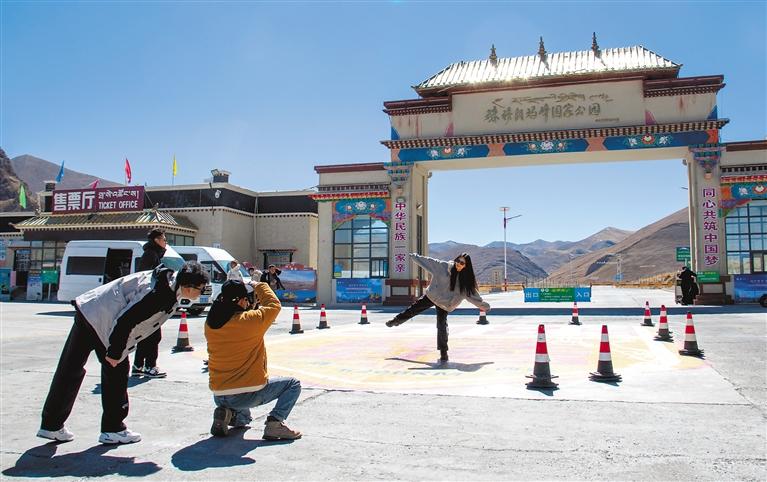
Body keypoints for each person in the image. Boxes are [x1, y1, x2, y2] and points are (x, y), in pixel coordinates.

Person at [37, 261, 209, 444]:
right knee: (116, 374)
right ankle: (113, 428)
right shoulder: (160, 294)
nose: (201, 293)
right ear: (189, 287)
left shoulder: (164, 281)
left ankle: (51, 424)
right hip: (104, 320)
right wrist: (115, 351)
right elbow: (127, 320)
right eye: (201, 289)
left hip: (88, 308)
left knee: (70, 368)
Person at [205, 279, 302, 440]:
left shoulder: (211, 324)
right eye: (247, 299)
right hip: (246, 393)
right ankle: (275, 424)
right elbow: (273, 305)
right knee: (293, 384)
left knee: (245, 419)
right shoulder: (251, 320)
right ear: (241, 301)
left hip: (219, 394)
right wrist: (259, 285)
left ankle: (227, 413)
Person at [386, 253, 490, 363]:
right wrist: (413, 256)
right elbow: (428, 261)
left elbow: (473, 296)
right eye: (457, 261)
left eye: (462, 263)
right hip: (432, 296)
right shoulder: (443, 267)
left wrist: (485, 307)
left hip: (444, 303)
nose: (458, 264)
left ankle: (443, 352)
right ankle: (396, 321)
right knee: (413, 309)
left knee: (441, 325)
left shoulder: (465, 281)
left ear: (466, 265)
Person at [132, 228, 169, 379]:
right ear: (156, 240)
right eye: (164, 239)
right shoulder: (151, 255)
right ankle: (150, 367)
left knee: (146, 334)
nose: (166, 242)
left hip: (148, 300)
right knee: (153, 335)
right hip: (150, 301)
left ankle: (138, 366)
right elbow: (146, 278)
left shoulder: (152, 254)